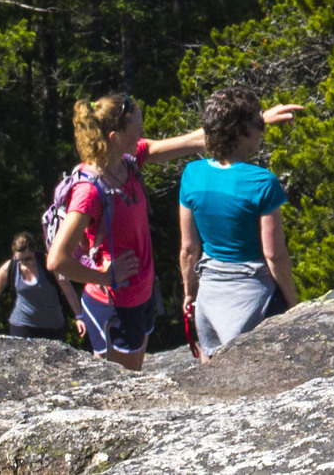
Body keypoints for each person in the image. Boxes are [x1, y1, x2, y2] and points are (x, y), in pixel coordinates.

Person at [50, 91, 304, 368]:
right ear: (115, 137)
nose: (144, 134)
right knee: (124, 384)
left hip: (139, 295)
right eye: (137, 127)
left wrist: (255, 121)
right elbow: (56, 260)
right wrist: (106, 277)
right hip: (113, 304)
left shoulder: (128, 160)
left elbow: (200, 140)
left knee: (135, 374)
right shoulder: (90, 191)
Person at [178, 86, 299, 357]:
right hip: (254, 300)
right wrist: (293, 304)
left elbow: (189, 250)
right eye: (258, 122)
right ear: (238, 133)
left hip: (209, 298)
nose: (262, 128)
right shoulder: (262, 183)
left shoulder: (192, 174)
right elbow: (274, 255)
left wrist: (189, 294)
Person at [0, 232, 80, 342]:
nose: (24, 263)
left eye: (28, 259)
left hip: (52, 326)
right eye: (20, 260)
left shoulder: (49, 265)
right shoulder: (9, 268)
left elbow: (67, 289)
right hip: (22, 325)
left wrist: (79, 316)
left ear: (34, 251)